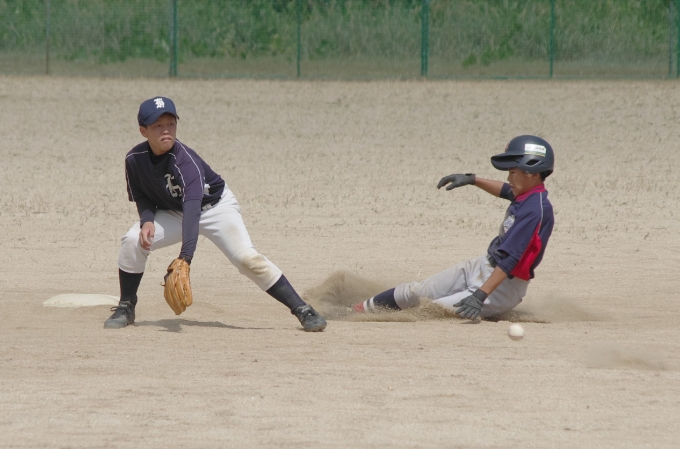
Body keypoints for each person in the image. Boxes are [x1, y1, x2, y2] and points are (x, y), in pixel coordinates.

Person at [105, 96, 327, 332]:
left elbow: (192, 210)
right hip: (174, 212)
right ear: (143, 131)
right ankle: (126, 306)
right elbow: (142, 194)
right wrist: (148, 220)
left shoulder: (186, 162)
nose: (166, 130)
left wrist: (185, 258)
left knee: (246, 259)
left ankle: (303, 310)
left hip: (216, 209)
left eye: (170, 123)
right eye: (157, 126)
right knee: (133, 239)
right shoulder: (134, 160)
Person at [351, 135, 555, 320]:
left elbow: (510, 259)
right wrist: (472, 179)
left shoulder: (535, 210)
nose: (509, 178)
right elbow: (505, 190)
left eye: (512, 172)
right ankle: (356, 310)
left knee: (432, 310)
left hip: (503, 286)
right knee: (416, 291)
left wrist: (480, 295)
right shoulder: (525, 194)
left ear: (532, 173)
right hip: (483, 265)